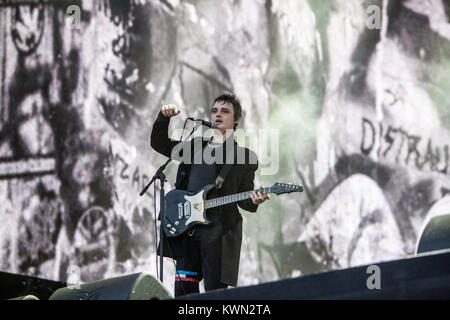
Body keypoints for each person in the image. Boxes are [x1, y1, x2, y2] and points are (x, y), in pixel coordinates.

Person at [150, 93, 270, 297]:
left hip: (218, 230)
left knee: (215, 294)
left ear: (236, 119)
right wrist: (163, 118)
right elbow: (160, 144)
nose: (218, 115)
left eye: (225, 111)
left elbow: (245, 199)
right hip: (187, 227)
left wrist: (254, 199)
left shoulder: (244, 157)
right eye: (214, 111)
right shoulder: (196, 145)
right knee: (183, 292)